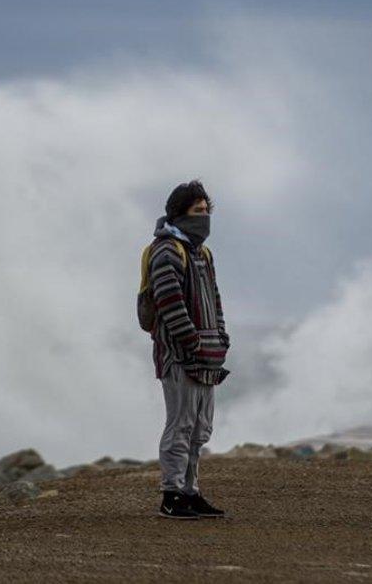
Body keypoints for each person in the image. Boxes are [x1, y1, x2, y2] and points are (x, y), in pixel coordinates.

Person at [146, 180, 230, 519]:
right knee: (180, 426)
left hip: (207, 356)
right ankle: (171, 494)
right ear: (179, 213)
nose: (205, 217)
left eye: (207, 211)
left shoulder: (202, 253)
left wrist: (220, 337)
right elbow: (169, 302)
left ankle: (190, 491)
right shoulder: (166, 251)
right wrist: (192, 341)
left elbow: (215, 299)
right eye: (198, 211)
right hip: (179, 356)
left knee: (199, 429)